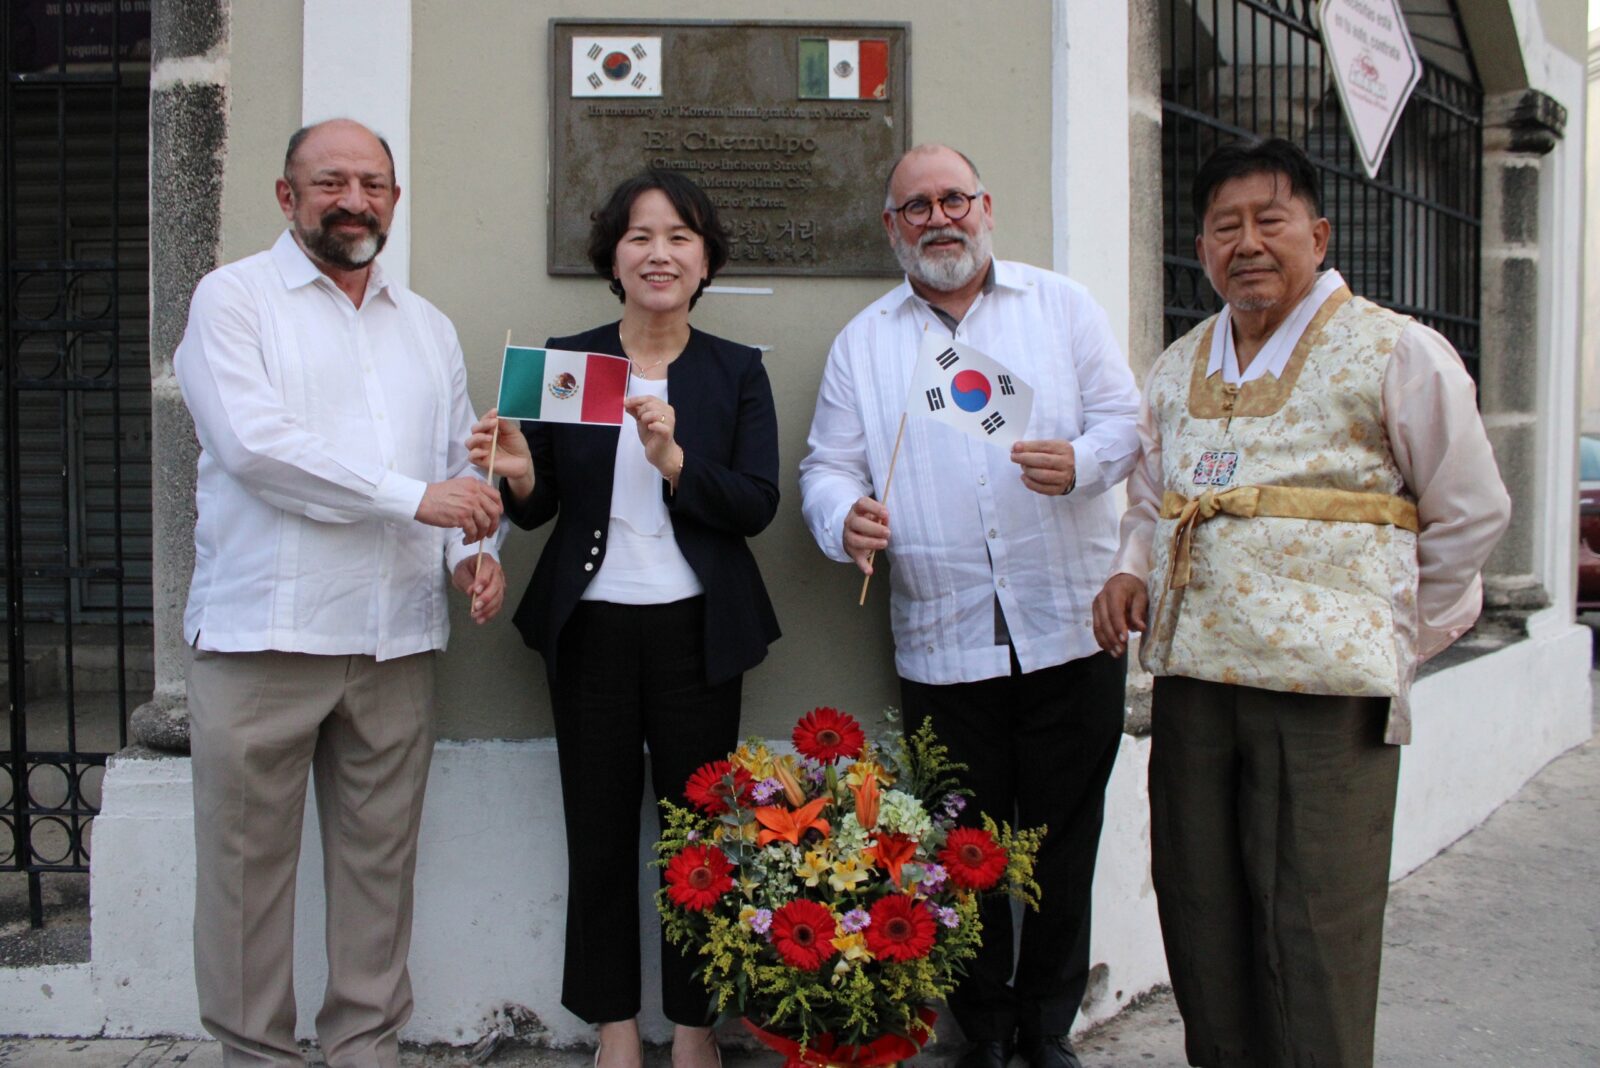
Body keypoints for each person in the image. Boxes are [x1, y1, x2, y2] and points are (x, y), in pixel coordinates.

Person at [1091, 137, 1511, 1068]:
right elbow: (1153, 501)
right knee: (1201, 911)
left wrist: (1392, 632)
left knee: (1317, 926)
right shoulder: (1177, 365)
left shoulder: (1396, 350)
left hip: (1326, 698)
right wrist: (1131, 571)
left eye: (1268, 220)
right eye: (1224, 226)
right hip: (1195, 685)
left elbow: (1471, 510)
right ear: (1201, 249)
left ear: (1317, 236)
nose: (1246, 243)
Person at [798, 144, 1141, 1068]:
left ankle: (1049, 1027)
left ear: (986, 207)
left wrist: (1083, 462)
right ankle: (983, 1030)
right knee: (962, 848)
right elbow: (826, 467)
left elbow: (1127, 423)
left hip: (1071, 625)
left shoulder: (1061, 306)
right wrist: (844, 517)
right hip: (943, 638)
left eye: (955, 199)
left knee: (1064, 841)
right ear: (892, 226)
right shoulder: (866, 342)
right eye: (917, 206)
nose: (939, 218)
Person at [174, 118, 505, 1067]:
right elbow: (256, 449)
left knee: (379, 873)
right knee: (244, 881)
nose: (352, 200)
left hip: (393, 640)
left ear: (394, 201)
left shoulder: (426, 326)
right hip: (263, 641)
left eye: (371, 184)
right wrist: (416, 499)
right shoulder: (233, 300)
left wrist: (472, 553)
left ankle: (365, 1049)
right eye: (330, 183)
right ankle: (256, 1056)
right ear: (288, 196)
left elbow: (456, 465)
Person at [467, 169, 779, 1068]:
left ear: (705, 260)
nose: (659, 253)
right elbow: (539, 508)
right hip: (592, 631)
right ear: (613, 258)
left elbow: (756, 503)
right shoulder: (572, 361)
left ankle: (693, 1027)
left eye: (680, 237)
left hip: (699, 632)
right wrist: (520, 469)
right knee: (598, 830)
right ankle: (612, 1029)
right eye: (640, 236)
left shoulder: (734, 369)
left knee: (701, 838)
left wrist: (674, 459)